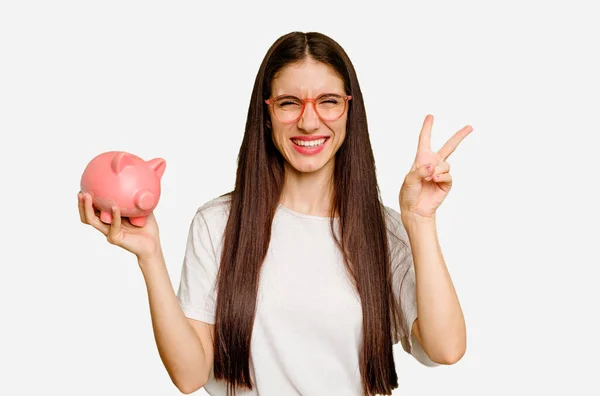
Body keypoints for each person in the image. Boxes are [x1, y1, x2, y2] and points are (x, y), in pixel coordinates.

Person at [77, 31, 471, 396]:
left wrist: (419, 221)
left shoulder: (381, 231)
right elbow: (189, 374)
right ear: (266, 114)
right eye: (289, 103)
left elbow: (446, 349)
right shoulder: (219, 223)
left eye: (329, 101)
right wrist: (150, 256)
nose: (309, 119)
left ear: (350, 111)